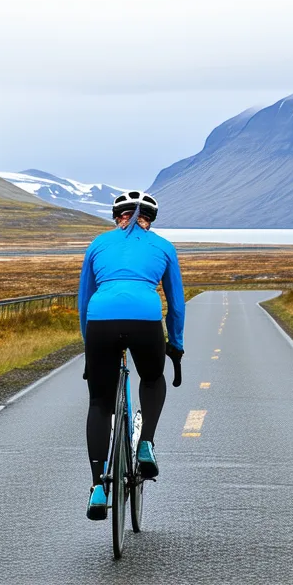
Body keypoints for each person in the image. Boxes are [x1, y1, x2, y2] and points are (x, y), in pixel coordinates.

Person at [78, 190, 185, 521]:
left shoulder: (98, 244)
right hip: (145, 318)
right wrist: (176, 344)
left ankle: (98, 486)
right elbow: (176, 304)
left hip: (100, 321)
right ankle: (146, 443)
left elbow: (83, 300)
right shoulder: (164, 246)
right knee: (152, 378)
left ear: (116, 217)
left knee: (99, 402)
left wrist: (89, 346)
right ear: (149, 220)